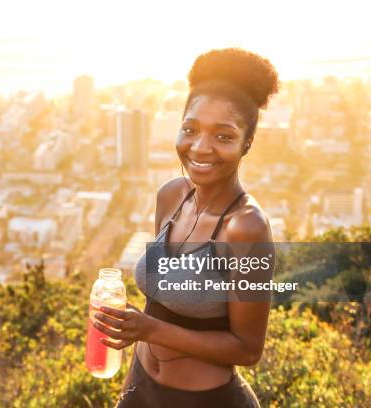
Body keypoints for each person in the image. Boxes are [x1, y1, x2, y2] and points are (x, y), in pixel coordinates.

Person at [92, 48, 279, 407]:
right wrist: (128, 392)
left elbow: (248, 347)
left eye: (223, 136)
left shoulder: (247, 229)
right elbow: (154, 305)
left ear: (247, 144)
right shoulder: (171, 197)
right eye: (190, 129)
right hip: (142, 390)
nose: (200, 147)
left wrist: (149, 329)